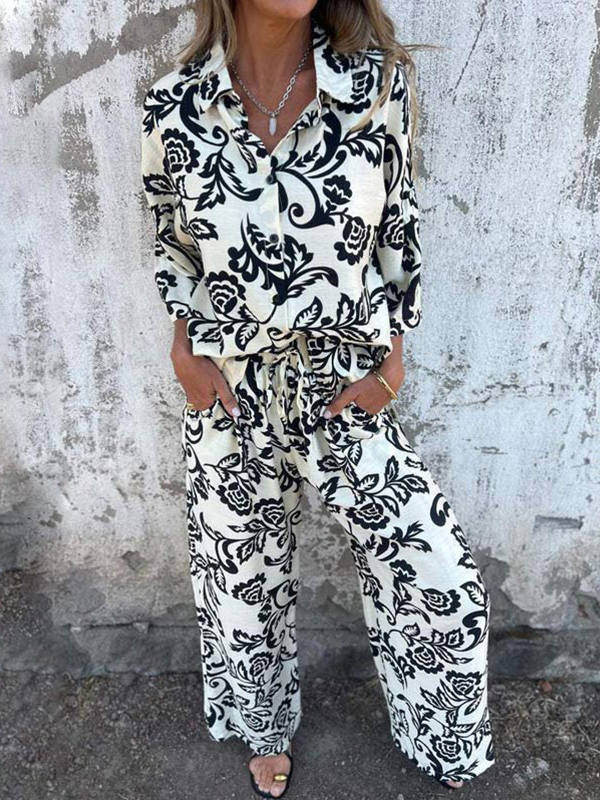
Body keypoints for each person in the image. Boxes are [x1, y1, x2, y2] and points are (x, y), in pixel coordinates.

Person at [140, 0, 495, 795]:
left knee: (436, 570)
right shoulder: (175, 103)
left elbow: (398, 225)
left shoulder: (376, 87)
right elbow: (173, 243)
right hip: (231, 386)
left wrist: (392, 361)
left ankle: (441, 733)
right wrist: (184, 350)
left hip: (340, 382)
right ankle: (264, 729)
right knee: (244, 582)